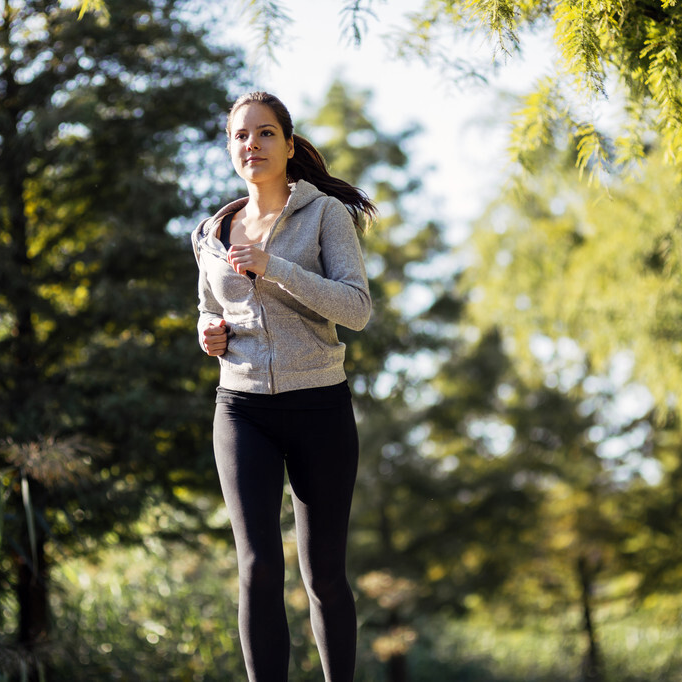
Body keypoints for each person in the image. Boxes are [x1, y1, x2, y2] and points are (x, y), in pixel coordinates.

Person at [190, 91, 376, 682]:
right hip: (242, 408)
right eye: (241, 136)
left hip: (318, 405)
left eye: (266, 133)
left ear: (289, 145)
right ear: (230, 149)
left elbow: (357, 308)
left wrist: (277, 268)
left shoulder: (326, 216)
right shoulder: (211, 232)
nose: (253, 145)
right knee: (259, 566)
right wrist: (209, 333)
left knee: (322, 573)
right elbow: (204, 308)